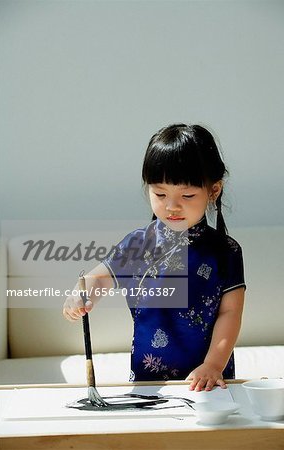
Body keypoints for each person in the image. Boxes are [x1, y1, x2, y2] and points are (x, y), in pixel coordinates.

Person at [63, 123, 246, 392]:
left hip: (208, 378)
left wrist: (213, 364)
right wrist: (82, 294)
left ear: (214, 191)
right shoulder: (138, 244)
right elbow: (100, 278)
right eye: (160, 194)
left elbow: (230, 313)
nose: (172, 206)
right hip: (147, 378)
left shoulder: (226, 251)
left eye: (187, 195)